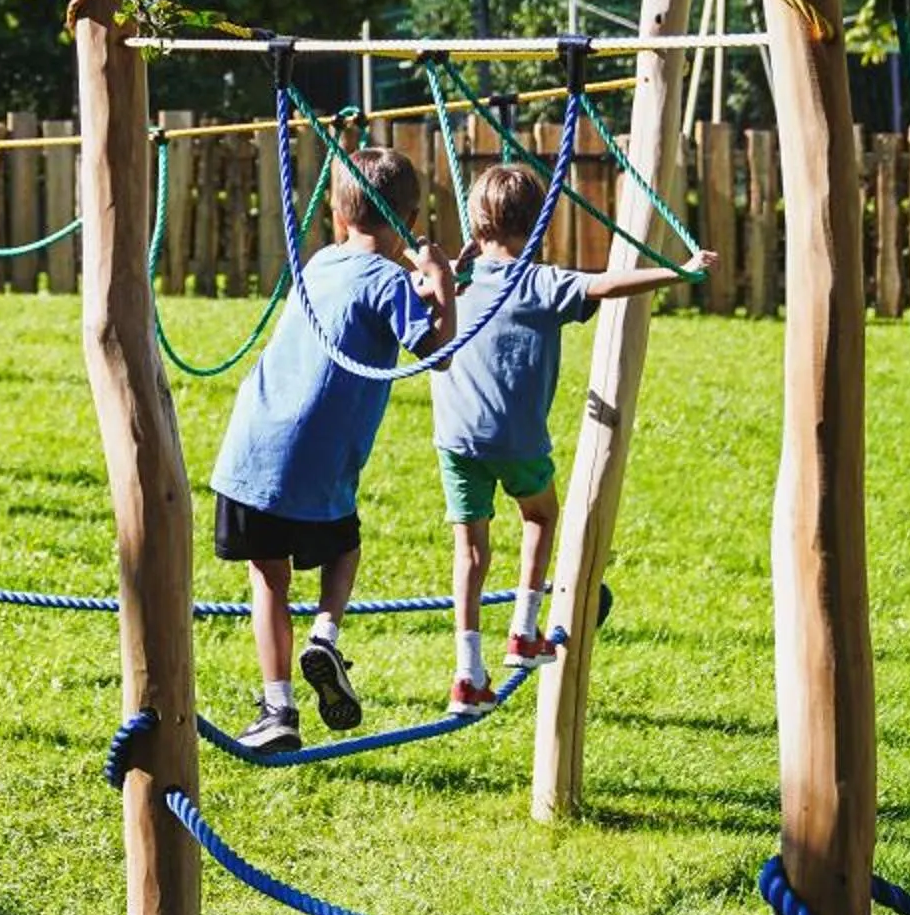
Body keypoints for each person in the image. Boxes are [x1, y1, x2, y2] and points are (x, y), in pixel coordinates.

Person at [207, 142, 458, 754]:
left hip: (251, 447)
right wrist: (444, 287)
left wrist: (414, 288)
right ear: (411, 219)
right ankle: (325, 632)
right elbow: (442, 352)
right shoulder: (394, 283)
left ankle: (278, 708)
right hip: (319, 461)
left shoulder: (320, 261)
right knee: (343, 545)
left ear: (341, 216)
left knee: (268, 579)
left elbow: (360, 302)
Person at [432, 163, 710, 714]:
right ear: (537, 225)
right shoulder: (539, 282)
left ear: (476, 223)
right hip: (516, 441)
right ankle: (523, 631)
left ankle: (467, 673)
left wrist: (456, 264)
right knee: (539, 516)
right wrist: (680, 272)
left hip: (456, 440)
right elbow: (606, 285)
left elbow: (431, 291)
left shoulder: (455, 282)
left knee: (470, 551)